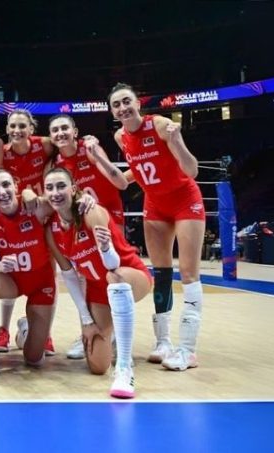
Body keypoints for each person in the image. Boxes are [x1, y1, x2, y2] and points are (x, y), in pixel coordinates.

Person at [109, 83, 204, 371]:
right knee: (161, 272)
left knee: (188, 272)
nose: (123, 108)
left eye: (127, 101)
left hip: (184, 199)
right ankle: (163, 342)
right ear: (112, 111)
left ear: (138, 103)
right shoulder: (120, 137)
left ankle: (187, 350)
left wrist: (177, 142)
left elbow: (191, 170)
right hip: (155, 203)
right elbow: (140, 169)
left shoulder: (161, 125)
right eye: (116, 104)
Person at [0, 170, 90, 380]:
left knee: (34, 359)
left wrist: (85, 198)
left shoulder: (36, 206)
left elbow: (66, 201)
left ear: (15, 186)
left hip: (41, 284)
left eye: (6, 185)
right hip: (11, 281)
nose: (2, 191)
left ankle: (25, 330)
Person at [43, 167, 151, 398]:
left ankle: (124, 368)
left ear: (73, 189)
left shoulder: (91, 211)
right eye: (49, 188)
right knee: (98, 366)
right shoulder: (51, 230)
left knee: (114, 279)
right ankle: (111, 333)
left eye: (61, 186)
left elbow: (112, 264)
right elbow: (70, 277)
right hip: (97, 289)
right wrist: (86, 320)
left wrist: (105, 247)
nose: (55, 192)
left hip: (128, 274)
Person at [47, 113, 129, 359]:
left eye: (65, 128)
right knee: (87, 278)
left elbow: (121, 183)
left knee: (112, 273)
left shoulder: (90, 148)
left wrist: (99, 157)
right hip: (80, 223)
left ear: (75, 131)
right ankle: (91, 327)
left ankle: (115, 332)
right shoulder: (56, 164)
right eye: (55, 130)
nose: (60, 133)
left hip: (108, 217)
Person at [0, 109, 55, 355]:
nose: (17, 130)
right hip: (13, 213)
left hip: (40, 214)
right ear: (7, 129)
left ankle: (45, 332)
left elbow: (68, 148)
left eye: (22, 126)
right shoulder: (3, 152)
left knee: (49, 274)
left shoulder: (45, 145)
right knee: (10, 268)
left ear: (31, 128)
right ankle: (3, 330)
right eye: (13, 126)